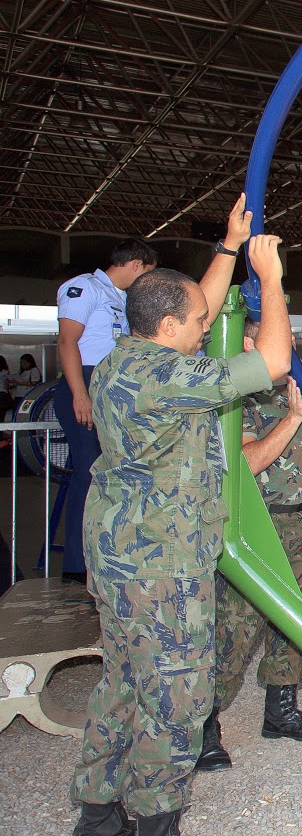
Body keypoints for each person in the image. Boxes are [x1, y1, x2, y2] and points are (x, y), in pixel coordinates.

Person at [70, 200, 288, 836]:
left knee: (123, 685)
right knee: (176, 695)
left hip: (118, 555)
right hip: (161, 565)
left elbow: (193, 306)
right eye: (196, 324)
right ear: (167, 328)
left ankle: (98, 828)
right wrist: (271, 277)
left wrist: (227, 247)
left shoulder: (123, 360)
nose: (205, 328)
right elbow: (274, 363)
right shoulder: (167, 377)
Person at [201, 319, 302, 772]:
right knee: (234, 626)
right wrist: (293, 419)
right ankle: (203, 725)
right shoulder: (232, 396)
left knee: (298, 618)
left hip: (301, 520)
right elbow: (247, 462)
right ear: (249, 343)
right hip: (254, 525)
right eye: (275, 340)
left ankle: (281, 710)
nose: (286, 348)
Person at [54, 239, 161, 581]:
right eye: (147, 273)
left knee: (115, 476)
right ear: (135, 264)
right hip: (83, 382)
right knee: (88, 475)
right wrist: (80, 394)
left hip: (113, 386)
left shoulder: (125, 299)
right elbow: (66, 341)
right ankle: (76, 565)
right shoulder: (84, 288)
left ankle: (111, 554)